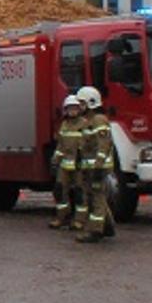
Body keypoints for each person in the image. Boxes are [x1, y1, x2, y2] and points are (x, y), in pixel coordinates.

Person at [76, 86, 115, 243]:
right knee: (96, 196)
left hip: (98, 168)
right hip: (90, 167)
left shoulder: (98, 120)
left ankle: (95, 231)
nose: (79, 107)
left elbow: (103, 144)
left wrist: (98, 166)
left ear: (91, 103)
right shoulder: (89, 121)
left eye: (82, 103)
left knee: (96, 198)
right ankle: (108, 226)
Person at [49, 95, 85, 231]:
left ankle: (79, 221)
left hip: (79, 166)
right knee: (59, 191)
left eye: (75, 108)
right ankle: (62, 217)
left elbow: (86, 146)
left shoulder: (84, 124)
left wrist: (82, 160)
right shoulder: (64, 125)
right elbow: (60, 146)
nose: (72, 111)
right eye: (70, 108)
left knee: (80, 193)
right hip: (64, 165)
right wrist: (54, 161)